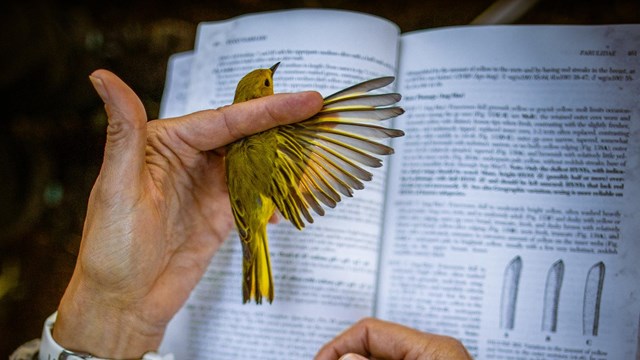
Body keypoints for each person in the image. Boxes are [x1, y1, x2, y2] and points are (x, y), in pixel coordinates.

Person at [12, 69, 471, 360]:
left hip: (245, 209)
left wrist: (114, 313)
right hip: (252, 208)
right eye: (267, 85)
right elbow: (332, 146)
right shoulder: (275, 139)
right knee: (259, 237)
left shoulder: (239, 147)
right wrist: (115, 308)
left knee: (256, 240)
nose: (273, 82)